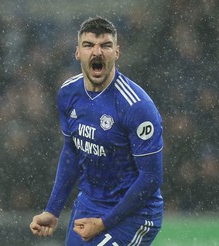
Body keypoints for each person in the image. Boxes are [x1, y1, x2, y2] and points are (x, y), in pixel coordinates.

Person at [30, 16, 164, 245]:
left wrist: (104, 222)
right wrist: (52, 210)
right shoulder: (68, 93)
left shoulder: (137, 107)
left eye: (106, 45)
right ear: (77, 53)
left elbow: (151, 178)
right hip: (90, 203)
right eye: (89, 45)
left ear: (117, 53)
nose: (97, 52)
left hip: (135, 214)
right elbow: (72, 152)